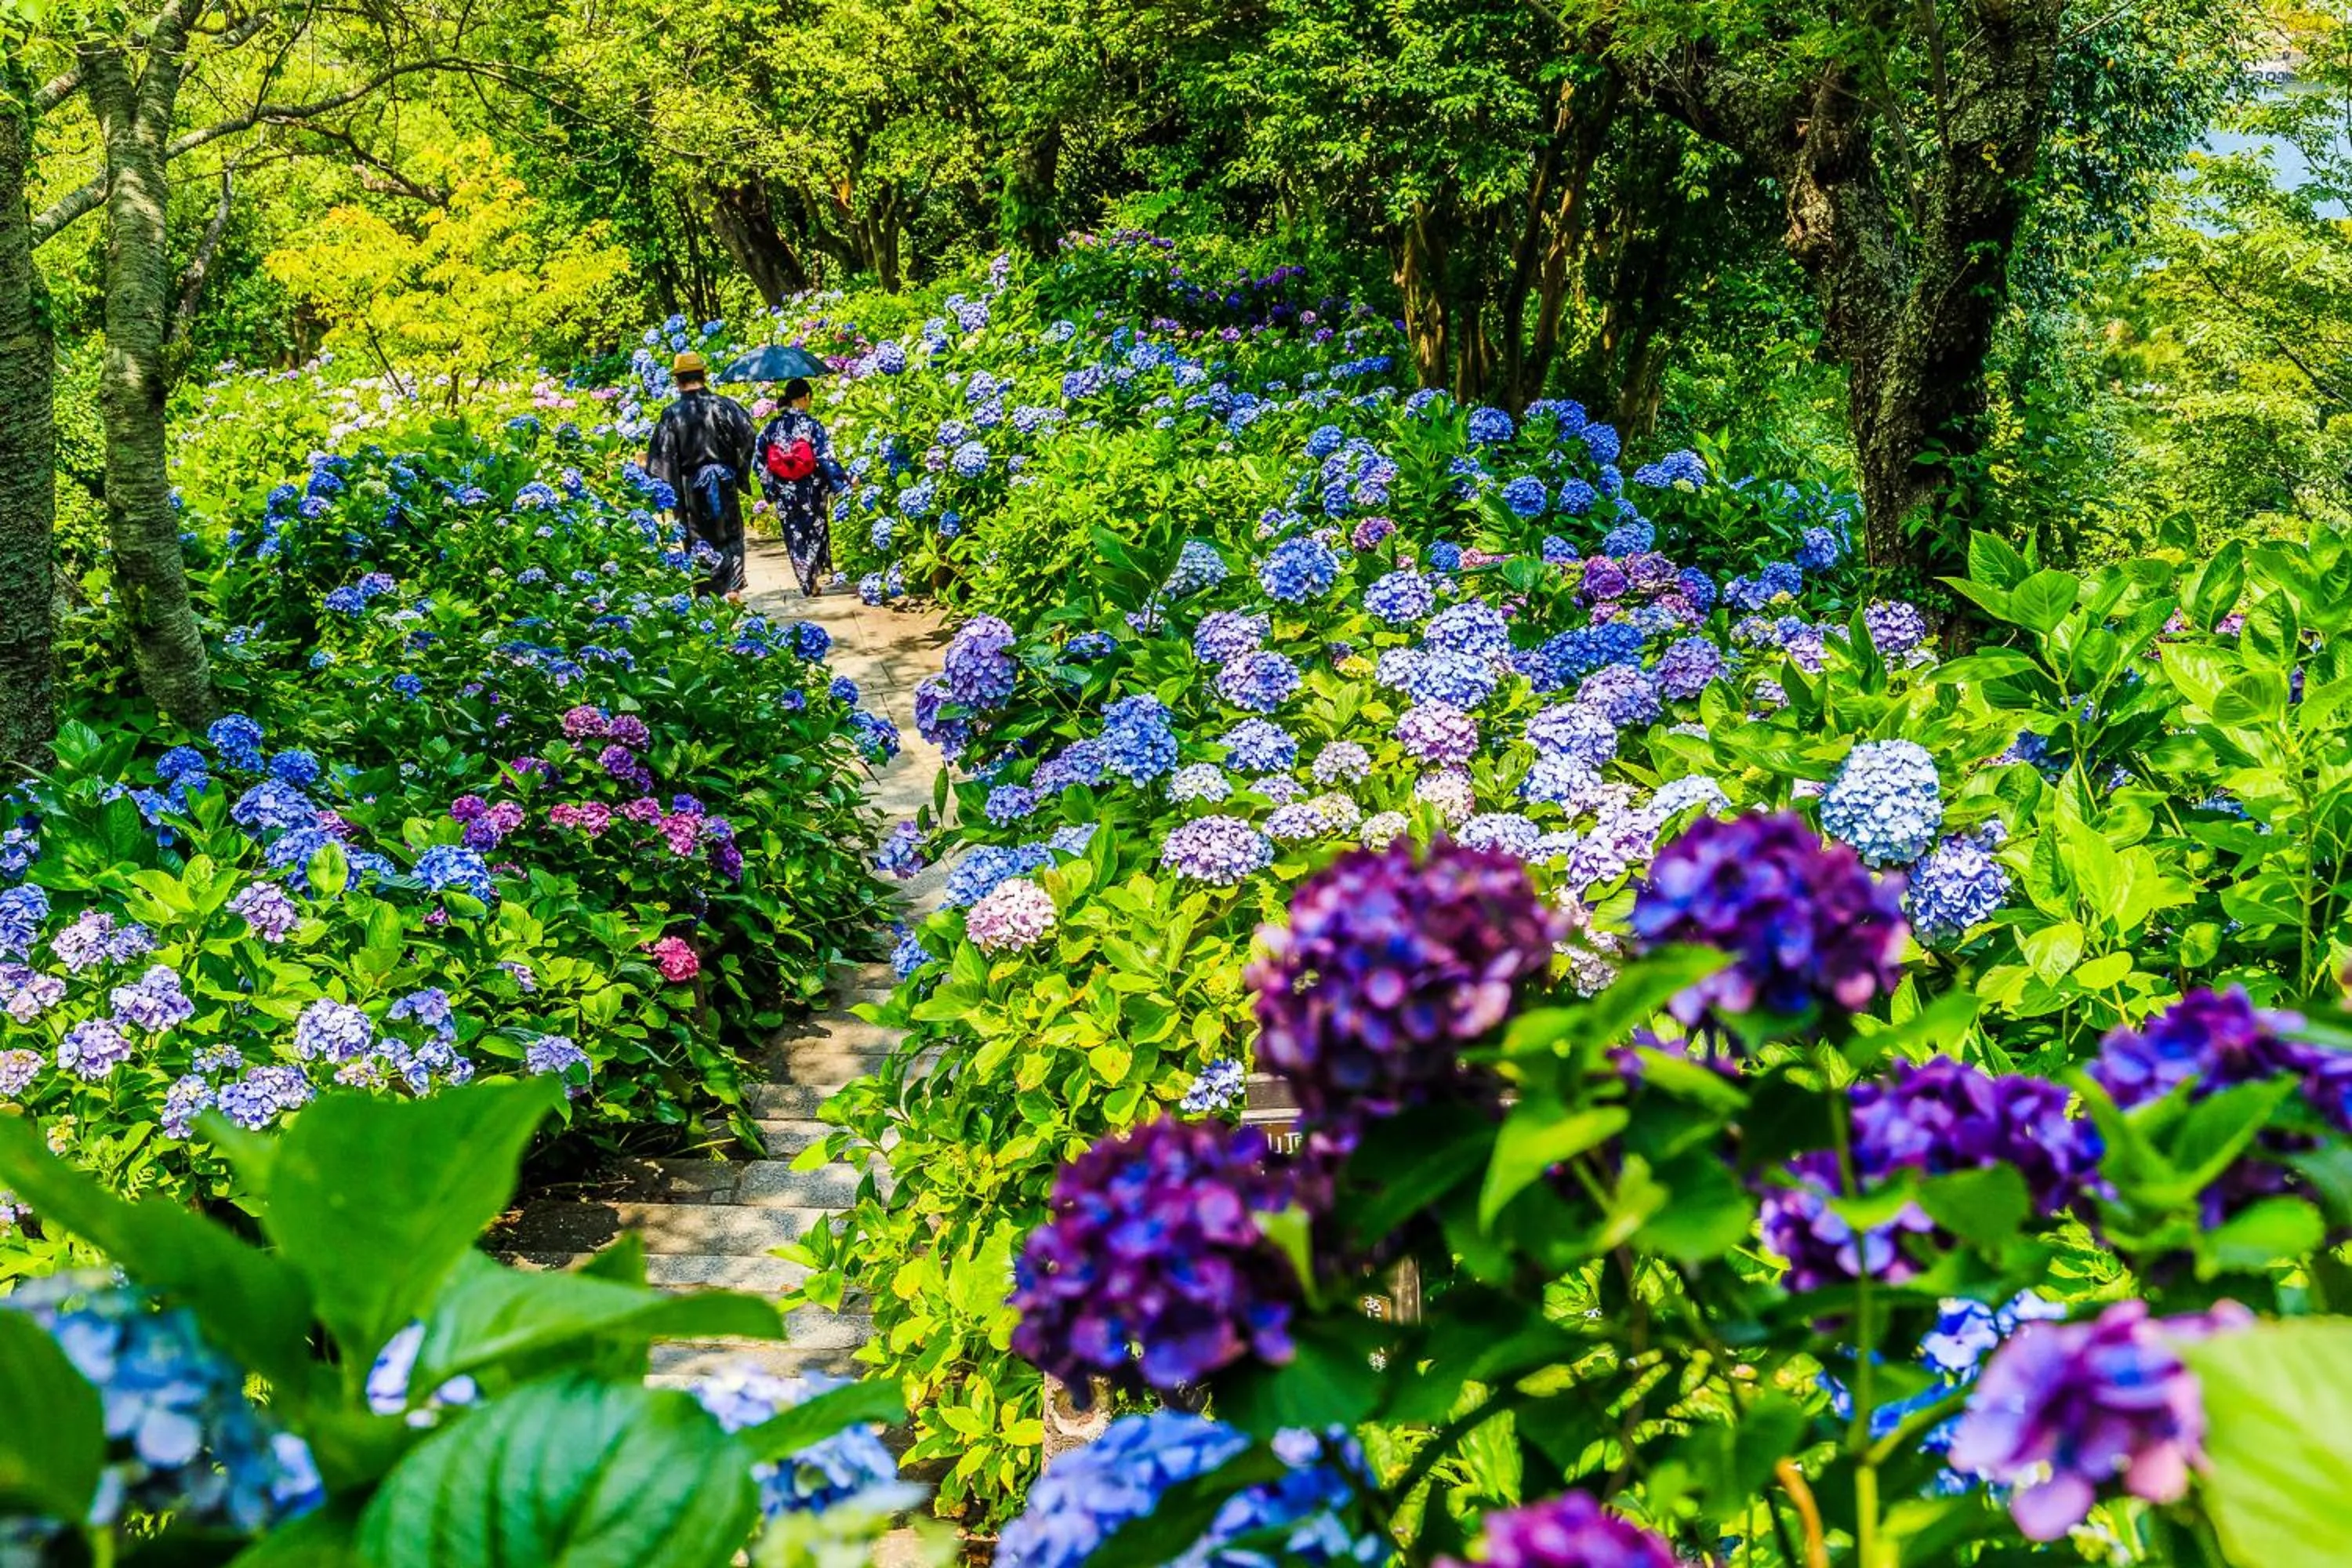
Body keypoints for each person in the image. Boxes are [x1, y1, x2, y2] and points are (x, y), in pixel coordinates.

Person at [646, 351, 757, 597]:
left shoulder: (672, 414)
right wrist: (737, 470)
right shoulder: (724, 406)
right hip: (724, 480)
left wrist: (669, 492)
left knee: (699, 540)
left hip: (691, 488)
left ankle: (706, 594)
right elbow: (748, 435)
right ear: (704, 375)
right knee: (730, 536)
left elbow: (662, 457)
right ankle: (733, 588)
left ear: (678, 380)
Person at [755, 376, 846, 596]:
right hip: (811, 490)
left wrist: (772, 490)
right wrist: (839, 483)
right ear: (805, 398)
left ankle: (805, 579)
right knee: (815, 531)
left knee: (794, 534)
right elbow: (825, 457)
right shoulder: (812, 426)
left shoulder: (770, 429)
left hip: (786, 494)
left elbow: (758, 462)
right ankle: (812, 579)